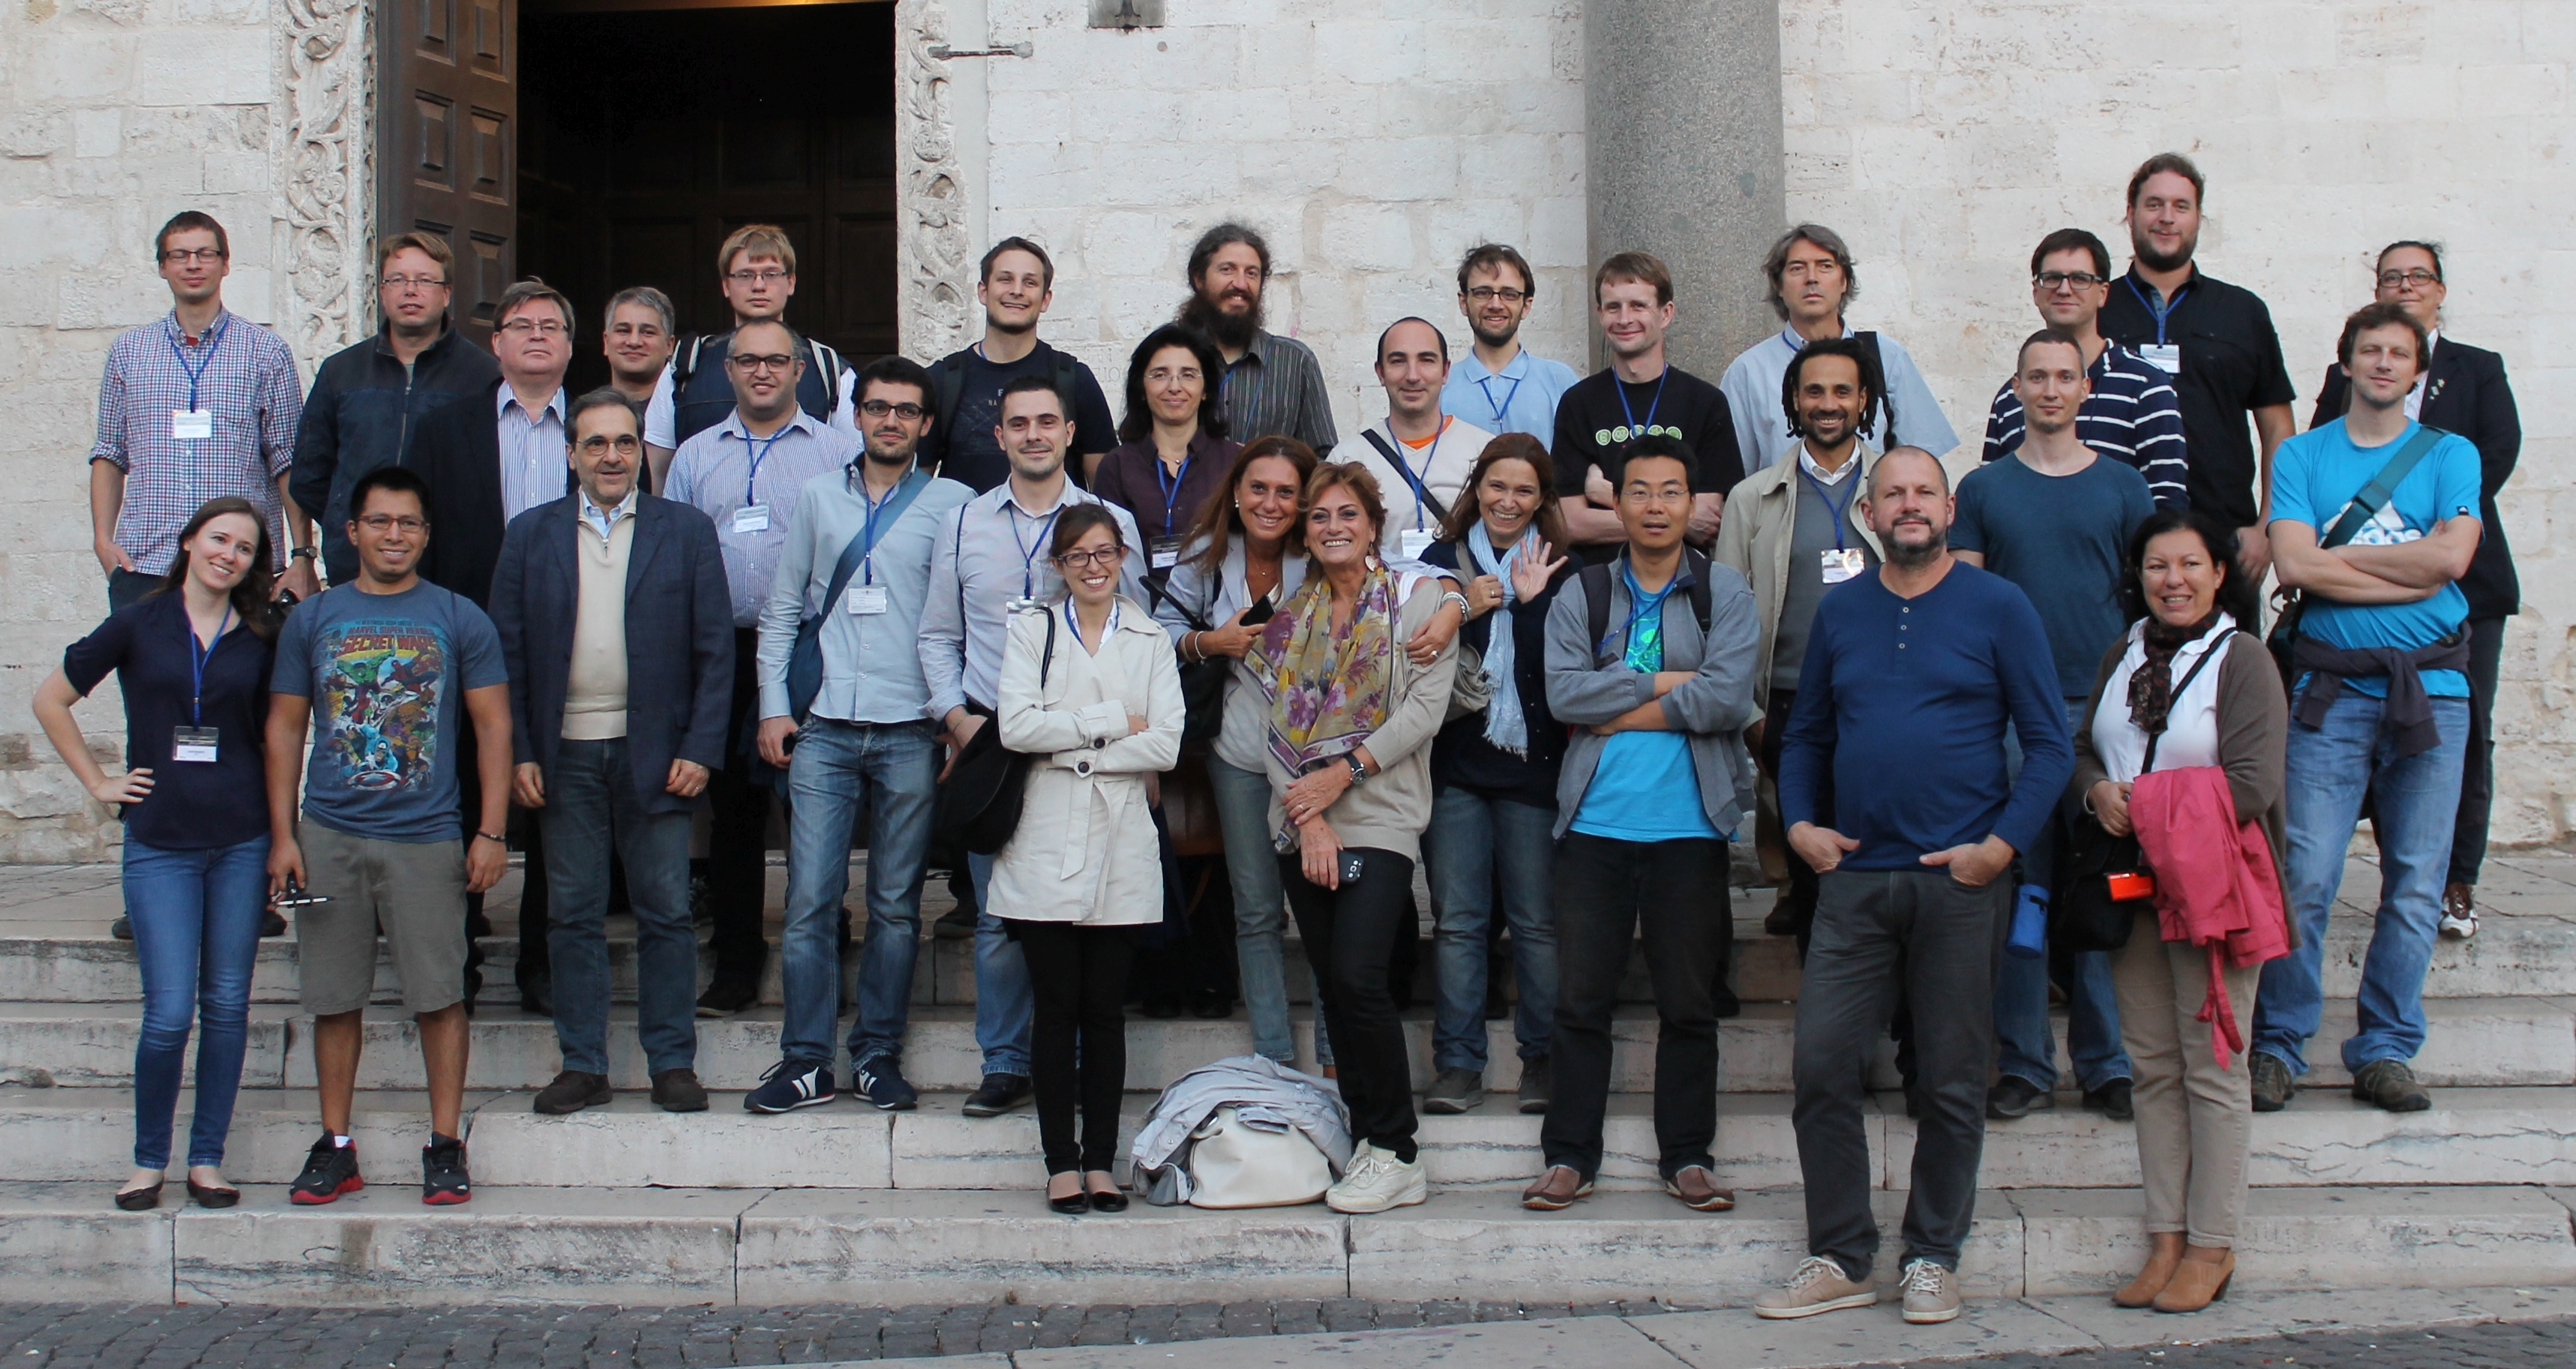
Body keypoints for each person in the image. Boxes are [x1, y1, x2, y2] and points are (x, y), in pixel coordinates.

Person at [1759, 449, 2069, 1325]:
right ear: (1868, 508)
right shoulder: (1844, 611)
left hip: (1958, 883)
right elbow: (1806, 733)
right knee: (1821, 1064)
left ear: (1948, 506)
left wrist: (2000, 848)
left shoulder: (1999, 606)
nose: (1909, 505)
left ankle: (1933, 1254)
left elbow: (2048, 745)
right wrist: (1801, 824)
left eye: (1924, 491)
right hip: (1854, 879)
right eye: (1892, 492)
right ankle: (1842, 1252)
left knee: (1952, 1076)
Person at [2251, 302, 2483, 1117]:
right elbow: (2289, 563)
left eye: (2399, 353)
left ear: (2419, 370)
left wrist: (2333, 556)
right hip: (2330, 692)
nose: (2383, 363)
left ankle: (2385, 1047)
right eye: (2369, 351)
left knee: (2418, 882)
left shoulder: (2451, 452)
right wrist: (2404, 567)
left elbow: (2454, 559)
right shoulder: (2304, 455)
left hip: (2435, 693)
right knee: (2305, 875)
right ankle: (2278, 1042)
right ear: (2345, 363)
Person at [1522, 437, 1759, 1213]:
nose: (1656, 506)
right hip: (1595, 827)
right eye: (1641, 492)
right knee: (1579, 1000)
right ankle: (1569, 1156)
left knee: (1689, 1003)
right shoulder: (1581, 594)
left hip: (1690, 827)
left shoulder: (1724, 591)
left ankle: (1688, 1155)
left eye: (1671, 491)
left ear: (1692, 504)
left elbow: (1728, 699)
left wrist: (1620, 707)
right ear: (1616, 505)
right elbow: (1563, 696)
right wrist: (1668, 684)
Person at [264, 465, 511, 1208]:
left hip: (426, 836)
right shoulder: (313, 619)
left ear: (425, 534)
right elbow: (283, 726)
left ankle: (444, 1141)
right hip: (330, 833)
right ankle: (335, 1145)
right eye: (380, 521)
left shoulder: (458, 616)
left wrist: (492, 829)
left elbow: (493, 725)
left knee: (439, 994)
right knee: (333, 998)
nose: (394, 535)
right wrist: (283, 835)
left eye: (407, 523)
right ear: (352, 531)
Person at [489, 389, 733, 1117]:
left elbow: (715, 650)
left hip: (657, 754)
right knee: (572, 913)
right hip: (563, 754)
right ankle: (583, 1062)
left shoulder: (684, 531)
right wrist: (520, 753)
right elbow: (507, 652)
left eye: (624, 443)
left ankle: (671, 1061)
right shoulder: (529, 535)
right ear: (571, 455)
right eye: (595, 443)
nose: (611, 456)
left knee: (663, 910)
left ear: (639, 450)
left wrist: (700, 747)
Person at [34, 498, 282, 1210]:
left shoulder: (261, 636)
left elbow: (274, 744)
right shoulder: (138, 621)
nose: (228, 554)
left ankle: (207, 1159)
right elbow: (51, 699)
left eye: (244, 547)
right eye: (219, 539)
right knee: (170, 1012)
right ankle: (149, 1161)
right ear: (188, 541)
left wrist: (280, 839)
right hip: (159, 843)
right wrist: (99, 782)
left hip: (240, 840)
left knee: (228, 1005)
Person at [2073, 509, 2291, 1315]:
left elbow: (2251, 783)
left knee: (2215, 1068)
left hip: (2213, 891)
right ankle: (2165, 1234)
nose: (2175, 580)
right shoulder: (2121, 651)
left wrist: (2149, 804)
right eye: (2159, 566)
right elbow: (2085, 745)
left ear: (2219, 573)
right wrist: (2096, 790)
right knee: (2154, 1066)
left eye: (2191, 565)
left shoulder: (2245, 661)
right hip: (2132, 885)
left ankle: (2213, 1241)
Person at [751, 357, 975, 1112]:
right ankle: (806, 1058)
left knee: (896, 904)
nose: (890, 421)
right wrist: (773, 707)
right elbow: (783, 610)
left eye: (905, 411)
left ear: (925, 423)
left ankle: (878, 1050)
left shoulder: (954, 503)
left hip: (913, 726)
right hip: (825, 728)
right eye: (878, 408)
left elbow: (966, 621)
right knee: (811, 900)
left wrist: (956, 717)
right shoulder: (818, 497)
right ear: (858, 414)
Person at [921, 375, 1147, 1117]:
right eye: (1018, 423)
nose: (1034, 434)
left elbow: (1139, 637)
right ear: (999, 436)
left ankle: (1078, 1061)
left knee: (1083, 907)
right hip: (994, 736)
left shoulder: (1111, 522)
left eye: (1047, 421)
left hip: (1090, 745)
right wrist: (958, 721)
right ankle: (1006, 1061)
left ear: (1070, 430)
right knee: (998, 916)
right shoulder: (964, 522)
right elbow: (937, 634)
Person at [1952, 329, 2155, 1124]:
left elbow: (2146, 603)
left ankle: (2107, 1062)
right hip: (2012, 715)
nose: (2049, 389)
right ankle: (2027, 1062)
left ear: (2084, 390)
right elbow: (1965, 603)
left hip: (2103, 712)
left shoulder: (2125, 487)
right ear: (2017, 387)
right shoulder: (1983, 489)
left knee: (2103, 884)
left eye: (2064, 376)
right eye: (2035, 376)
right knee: (2024, 888)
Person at [1254, 462, 1459, 1214]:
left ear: (1373, 525)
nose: (1333, 526)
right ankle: (1367, 1136)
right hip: (1303, 821)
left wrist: (1340, 777)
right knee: (1336, 990)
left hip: (1381, 814)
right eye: (1318, 516)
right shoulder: (1292, 614)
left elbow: (1423, 711)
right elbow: (1269, 732)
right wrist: (1310, 817)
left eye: (1348, 513)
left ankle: (1399, 1148)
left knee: (1359, 977)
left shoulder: (1420, 598)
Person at [2308, 242, 2521, 941]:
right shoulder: (2348, 373)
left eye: (2417, 276)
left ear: (2440, 292)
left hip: (2465, 591)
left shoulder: (2476, 369)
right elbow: (2315, 480)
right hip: (2368, 605)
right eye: (2390, 276)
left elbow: (2491, 458)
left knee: (2467, 735)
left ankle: (2456, 879)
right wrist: (2412, 557)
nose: (2405, 285)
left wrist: (2413, 549)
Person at [664, 317, 865, 1015]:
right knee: (735, 813)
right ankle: (737, 960)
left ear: (799, 370)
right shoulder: (693, 455)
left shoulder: (840, 452)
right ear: (727, 370)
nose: (761, 372)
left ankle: (825, 948)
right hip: (721, 648)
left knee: (812, 802)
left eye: (775, 361)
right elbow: (677, 553)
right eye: (746, 360)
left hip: (811, 645)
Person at [994, 504, 1184, 1211]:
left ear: (1124, 554)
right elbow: (1016, 727)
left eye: (1105, 552)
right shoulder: (1030, 629)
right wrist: (1110, 727)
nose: (1094, 566)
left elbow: (1164, 742)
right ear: (1058, 565)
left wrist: (1068, 742)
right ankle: (1058, 1162)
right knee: (1055, 1005)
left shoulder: (1150, 638)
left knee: (1104, 1008)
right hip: (1044, 836)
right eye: (1079, 556)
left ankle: (1100, 1159)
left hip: (1122, 836)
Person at [406, 278, 577, 1014]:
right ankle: (457, 960)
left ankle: (542, 965)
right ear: (496, 343)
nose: (536, 335)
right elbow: (421, 538)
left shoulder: (603, 425)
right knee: (463, 798)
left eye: (550, 325)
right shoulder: (446, 429)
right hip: (466, 635)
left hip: (577, 641)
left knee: (556, 808)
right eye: (520, 325)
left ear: (570, 345)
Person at [1709, 338, 1887, 946]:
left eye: (1842, 391)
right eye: (1814, 391)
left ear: (1863, 401)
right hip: (1787, 701)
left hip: (1879, 698)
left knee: (1872, 848)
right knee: (1805, 842)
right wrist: (1750, 715)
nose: (1827, 404)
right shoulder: (1750, 498)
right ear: (1793, 400)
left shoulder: (1898, 490)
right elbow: (1725, 615)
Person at [1419, 434, 1575, 1116]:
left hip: (1533, 770)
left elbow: (1566, 677)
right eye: (1496, 486)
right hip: (1455, 767)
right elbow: (1413, 651)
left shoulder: (1566, 570)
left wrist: (1531, 604)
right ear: (1476, 488)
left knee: (1537, 923)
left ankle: (1543, 1056)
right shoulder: (1437, 562)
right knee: (1457, 921)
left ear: (1541, 499)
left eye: (1524, 490)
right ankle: (1457, 1062)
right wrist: (1470, 605)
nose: (1508, 501)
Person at [1159, 437, 1318, 1065]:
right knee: (1254, 908)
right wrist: (1210, 642)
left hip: (1314, 760)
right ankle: (1273, 1054)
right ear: (1235, 492)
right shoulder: (1206, 557)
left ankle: (1335, 1051)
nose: (1270, 502)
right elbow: (1161, 631)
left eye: (1285, 491)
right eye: (1258, 488)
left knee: (1321, 908)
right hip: (1236, 752)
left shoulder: (1322, 552)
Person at [90, 211, 315, 617]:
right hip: (148, 564)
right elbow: (109, 452)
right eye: (179, 255)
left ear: (226, 264)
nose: (193, 265)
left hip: (243, 565)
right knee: (151, 682)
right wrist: (104, 543)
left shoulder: (265, 351)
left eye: (205, 254)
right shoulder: (129, 352)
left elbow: (289, 459)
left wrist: (303, 556)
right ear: (162, 268)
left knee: (242, 680)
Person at [2097, 153, 2296, 574]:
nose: (2167, 218)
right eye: (2154, 205)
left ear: (2198, 218)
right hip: (2111, 535)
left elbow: (2278, 426)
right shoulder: (2097, 308)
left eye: (2181, 206)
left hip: (2224, 537)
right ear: (2130, 215)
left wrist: (2267, 526)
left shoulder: (2242, 311)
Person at [289, 231, 499, 586]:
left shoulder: (483, 376)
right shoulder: (342, 371)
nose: (410, 290)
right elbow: (310, 474)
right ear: (382, 291)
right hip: (355, 567)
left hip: (449, 568)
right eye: (398, 280)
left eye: (424, 281)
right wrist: (348, 517)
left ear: (446, 293)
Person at [1717, 225, 1957, 473]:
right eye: (1797, 268)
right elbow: (1733, 476)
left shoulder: (1886, 357)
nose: (1811, 278)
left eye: (1825, 266)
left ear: (1844, 282)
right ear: (1779, 285)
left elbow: (1921, 462)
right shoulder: (1747, 371)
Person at [1981, 229, 2188, 510]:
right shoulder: (2011, 397)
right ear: (2036, 292)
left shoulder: (2146, 386)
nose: (2064, 289)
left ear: (2103, 293)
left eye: (2080, 279)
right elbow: (1990, 500)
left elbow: (2166, 503)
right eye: (2052, 278)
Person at [643, 224, 859, 486]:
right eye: (745, 275)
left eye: (770, 274)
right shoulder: (686, 365)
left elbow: (855, 469)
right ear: (725, 285)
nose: (759, 286)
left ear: (790, 282)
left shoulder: (830, 369)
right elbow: (660, 476)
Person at [1551, 253, 1741, 548]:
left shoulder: (1706, 403)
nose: (1625, 319)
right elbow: (1572, 523)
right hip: (1601, 582)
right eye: (1613, 307)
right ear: (1600, 314)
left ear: (1665, 313)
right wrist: (1677, 519)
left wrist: (1602, 493)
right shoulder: (1578, 404)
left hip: (1683, 579)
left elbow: (1706, 521)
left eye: (1638, 306)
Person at [923, 237, 1120, 491]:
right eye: (1005, 279)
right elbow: (916, 489)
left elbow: (1105, 488)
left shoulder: (1073, 379)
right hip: (967, 530)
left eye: (1030, 282)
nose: (1017, 291)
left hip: (1056, 530)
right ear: (983, 291)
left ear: (1045, 299)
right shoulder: (943, 380)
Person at [1090, 323, 1241, 575]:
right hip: (1137, 607)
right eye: (1160, 375)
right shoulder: (1117, 466)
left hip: (1216, 610)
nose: (1174, 386)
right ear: (1141, 388)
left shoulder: (1234, 462)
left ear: (1206, 391)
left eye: (1188, 375)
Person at [1343, 318, 1498, 561]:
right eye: (1398, 361)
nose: (1413, 376)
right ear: (1380, 373)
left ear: (1446, 371)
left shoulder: (1486, 453)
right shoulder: (1348, 459)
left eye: (1426, 360)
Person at [1179, 223, 1336, 454]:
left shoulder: (1296, 363)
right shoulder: (1165, 354)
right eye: (1227, 270)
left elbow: (1325, 459)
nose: (1241, 284)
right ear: (1199, 279)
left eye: (1252, 273)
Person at [1441, 243, 1580, 442]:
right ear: (1464, 302)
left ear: (1526, 306)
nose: (1495, 304)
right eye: (1482, 292)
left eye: (1509, 294)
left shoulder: (1560, 381)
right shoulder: (1441, 387)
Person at [602, 287, 679, 413]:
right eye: (623, 330)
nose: (634, 342)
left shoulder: (686, 411)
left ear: (669, 346)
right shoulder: (585, 413)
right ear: (606, 341)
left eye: (648, 332)